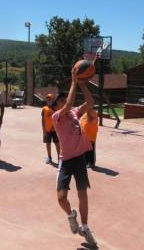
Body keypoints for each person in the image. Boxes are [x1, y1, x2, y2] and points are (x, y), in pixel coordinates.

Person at [51, 68, 97, 246]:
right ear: (56, 107)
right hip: (66, 161)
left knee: (82, 194)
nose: (64, 102)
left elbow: (90, 102)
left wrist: (83, 84)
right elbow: (69, 105)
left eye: (64, 99)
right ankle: (71, 216)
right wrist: (73, 81)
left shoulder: (75, 112)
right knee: (61, 198)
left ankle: (85, 227)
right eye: (60, 101)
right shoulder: (57, 117)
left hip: (79, 159)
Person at [41, 94, 60, 164]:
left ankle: (59, 158)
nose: (49, 100)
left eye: (50, 99)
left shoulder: (56, 108)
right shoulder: (44, 109)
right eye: (47, 99)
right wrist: (44, 131)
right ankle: (49, 157)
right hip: (47, 130)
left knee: (57, 144)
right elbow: (43, 120)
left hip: (55, 130)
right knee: (48, 144)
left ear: (53, 100)